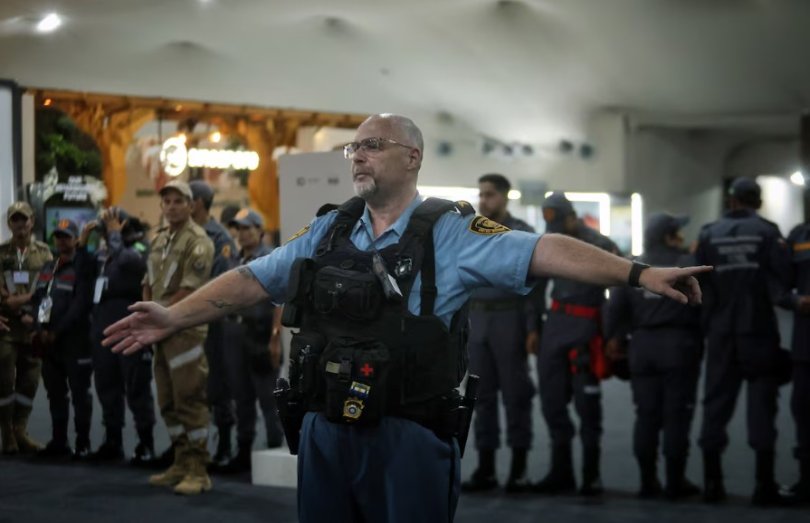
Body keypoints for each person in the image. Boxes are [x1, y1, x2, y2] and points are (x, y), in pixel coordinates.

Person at [103, 114, 709, 523]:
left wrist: (638, 273)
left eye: (371, 146)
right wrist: (173, 317)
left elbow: (543, 250)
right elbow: (255, 279)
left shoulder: (454, 228)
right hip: (323, 428)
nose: (356, 156)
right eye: (353, 147)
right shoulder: (330, 228)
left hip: (408, 433)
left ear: (411, 157)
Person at [695, 177, 793, 506]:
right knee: (762, 407)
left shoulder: (709, 233)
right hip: (759, 331)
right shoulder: (767, 232)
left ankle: (712, 484)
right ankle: (764, 487)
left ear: (732, 201)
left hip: (721, 333)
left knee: (715, 404)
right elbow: (782, 281)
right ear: (758, 201)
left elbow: (701, 286)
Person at [604, 213, 703, 499]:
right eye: (678, 233)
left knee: (645, 416)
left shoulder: (634, 265)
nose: (682, 238)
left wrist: (614, 338)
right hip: (679, 345)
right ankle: (675, 483)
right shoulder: (687, 264)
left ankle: (648, 483)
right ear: (669, 236)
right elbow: (705, 307)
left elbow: (616, 307)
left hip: (642, 346)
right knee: (676, 416)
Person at [532, 192, 620, 496]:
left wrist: (612, 335)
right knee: (551, 403)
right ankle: (561, 473)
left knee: (588, 408)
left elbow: (618, 292)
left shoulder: (601, 245)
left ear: (572, 217)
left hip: (586, 330)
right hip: (554, 328)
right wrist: (533, 329)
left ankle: (590, 475)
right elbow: (534, 287)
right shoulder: (549, 241)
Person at [461, 173, 538, 493]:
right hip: (477, 321)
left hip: (510, 319)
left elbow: (535, 287)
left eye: (490, 194)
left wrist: (533, 328)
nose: (483, 200)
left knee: (516, 396)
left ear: (506, 197)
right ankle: (487, 468)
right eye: (481, 194)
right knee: (480, 397)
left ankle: (519, 470)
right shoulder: (471, 231)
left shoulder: (522, 233)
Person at [142, 180, 215, 495]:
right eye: (166, 202)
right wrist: (146, 315)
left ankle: (199, 470)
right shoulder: (159, 240)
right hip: (159, 331)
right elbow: (148, 282)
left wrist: (159, 316)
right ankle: (181, 461)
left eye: (178, 201)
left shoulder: (198, 241)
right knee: (167, 401)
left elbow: (189, 290)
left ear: (191, 205)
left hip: (185, 332)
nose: (171, 207)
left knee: (189, 399)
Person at [78, 208, 157, 465]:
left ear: (122, 225)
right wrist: (82, 243)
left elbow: (131, 264)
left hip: (130, 327)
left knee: (136, 388)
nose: (106, 229)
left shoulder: (140, 247)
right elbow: (84, 274)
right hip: (103, 327)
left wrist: (114, 236)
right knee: (106, 387)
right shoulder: (105, 252)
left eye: (111, 224)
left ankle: (146, 443)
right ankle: (113, 441)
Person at [213, 208, 284, 474]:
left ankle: (277, 452)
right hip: (234, 333)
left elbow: (281, 299)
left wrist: (275, 338)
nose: (242, 234)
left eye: (247, 228)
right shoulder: (234, 259)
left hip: (260, 333)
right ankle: (244, 453)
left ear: (260, 231)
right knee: (241, 396)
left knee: (268, 399)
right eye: (239, 229)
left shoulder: (270, 257)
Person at [30, 219, 94, 459]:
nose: (61, 241)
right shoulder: (49, 267)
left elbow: (80, 305)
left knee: (80, 393)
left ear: (76, 239)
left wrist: (57, 331)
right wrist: (40, 328)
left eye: (66, 236)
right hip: (50, 343)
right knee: (55, 393)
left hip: (76, 341)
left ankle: (83, 443)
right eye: (58, 236)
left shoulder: (83, 267)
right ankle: (59, 441)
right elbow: (38, 299)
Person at [189, 180, 239, 468]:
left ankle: (223, 443)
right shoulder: (181, 234)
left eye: (186, 198)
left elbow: (222, 284)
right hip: (184, 322)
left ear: (197, 203)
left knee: (217, 386)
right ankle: (190, 447)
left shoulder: (219, 239)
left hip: (211, 324)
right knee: (189, 387)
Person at [0, 201, 53, 454]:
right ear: (9, 224)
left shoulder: (44, 253)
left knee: (30, 382)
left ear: (32, 221)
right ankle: (7, 433)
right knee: (4, 383)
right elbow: (2, 298)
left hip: (32, 328)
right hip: (7, 329)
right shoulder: (1, 254)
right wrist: (20, 303)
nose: (20, 225)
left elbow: (48, 293)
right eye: (15, 220)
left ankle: (21, 429)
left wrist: (40, 322)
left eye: (24, 219)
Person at [782, 219, 810, 504]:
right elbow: (779, 283)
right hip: (805, 347)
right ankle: (806, 482)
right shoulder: (799, 235)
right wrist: (794, 302)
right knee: (804, 412)